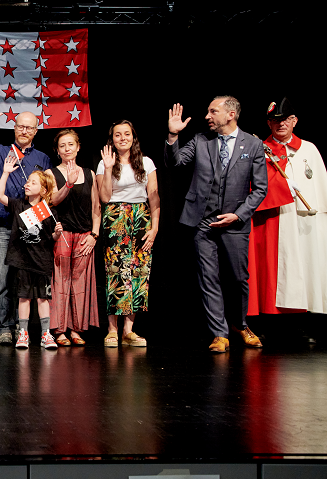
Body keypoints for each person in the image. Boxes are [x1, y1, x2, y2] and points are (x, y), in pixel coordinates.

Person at [165, 98, 268, 352]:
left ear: (231, 114)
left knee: (238, 278)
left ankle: (240, 324)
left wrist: (238, 215)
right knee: (208, 278)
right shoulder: (201, 140)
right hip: (203, 221)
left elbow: (260, 189)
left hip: (234, 223)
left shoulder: (253, 144)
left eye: (213, 111)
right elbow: (175, 162)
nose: (207, 116)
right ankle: (219, 334)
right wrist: (173, 136)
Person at [0, 102, 51, 344]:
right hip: (3, 225)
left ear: (35, 131)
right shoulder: (1, 151)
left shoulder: (42, 158)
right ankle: (5, 327)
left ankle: (22, 327)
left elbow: (48, 194)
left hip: (30, 228)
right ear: (14, 128)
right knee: (2, 279)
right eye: (20, 126)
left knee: (25, 281)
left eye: (29, 127)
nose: (24, 131)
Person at [248, 97, 327, 320]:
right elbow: (253, 185)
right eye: (275, 120)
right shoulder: (260, 150)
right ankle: (274, 321)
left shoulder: (309, 149)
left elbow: (321, 186)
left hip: (306, 221)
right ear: (268, 124)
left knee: (310, 267)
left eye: (285, 119)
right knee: (277, 271)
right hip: (276, 219)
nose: (280, 124)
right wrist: (281, 186)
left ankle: (307, 320)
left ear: (295, 121)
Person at [96, 121, 160, 348]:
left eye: (127, 134)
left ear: (133, 137)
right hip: (116, 217)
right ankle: (112, 330)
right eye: (117, 135)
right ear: (112, 139)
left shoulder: (146, 162)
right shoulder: (105, 163)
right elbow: (104, 197)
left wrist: (155, 227)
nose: (123, 138)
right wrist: (107, 168)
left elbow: (154, 197)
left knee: (139, 271)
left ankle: (128, 331)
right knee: (116, 271)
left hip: (141, 217)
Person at [0, 165, 63, 349]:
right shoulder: (19, 205)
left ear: (43, 190)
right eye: (27, 181)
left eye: (33, 183)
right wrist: (6, 172)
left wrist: (57, 233)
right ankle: (23, 333)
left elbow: (51, 238)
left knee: (42, 299)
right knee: (24, 298)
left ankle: (45, 334)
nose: (27, 184)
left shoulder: (49, 211)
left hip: (42, 262)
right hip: (23, 262)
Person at [45, 129, 101, 346]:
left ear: (78, 147)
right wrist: (68, 184)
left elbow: (96, 207)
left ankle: (76, 329)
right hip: (63, 234)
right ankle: (60, 330)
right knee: (60, 282)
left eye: (71, 144)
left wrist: (94, 234)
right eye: (62, 146)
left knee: (80, 283)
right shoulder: (51, 173)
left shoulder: (89, 174)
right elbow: (52, 201)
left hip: (84, 234)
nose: (67, 149)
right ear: (57, 151)